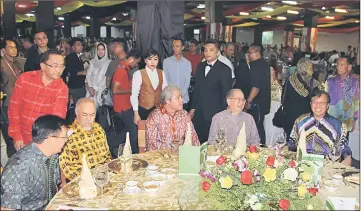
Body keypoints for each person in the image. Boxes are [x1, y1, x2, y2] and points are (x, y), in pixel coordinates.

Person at [1, 115, 67, 210]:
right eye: (64, 137)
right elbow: (6, 208)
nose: (66, 140)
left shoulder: (53, 155)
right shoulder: (20, 167)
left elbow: (54, 188)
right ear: (51, 140)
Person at [8, 50, 69, 150]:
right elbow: (14, 108)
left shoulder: (62, 89)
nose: (59, 70)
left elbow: (56, 119)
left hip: (43, 142)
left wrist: (44, 145)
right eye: (54, 66)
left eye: (62, 66)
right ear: (43, 66)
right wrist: (17, 136)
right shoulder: (25, 79)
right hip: (22, 137)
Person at [288, 89, 352, 166]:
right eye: (315, 102)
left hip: (327, 167)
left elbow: (343, 147)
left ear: (328, 105)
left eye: (322, 102)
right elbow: (292, 143)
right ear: (310, 103)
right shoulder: (300, 121)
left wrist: (347, 157)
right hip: (302, 164)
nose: (318, 105)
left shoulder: (338, 125)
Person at [190, 39, 232, 143]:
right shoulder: (200, 66)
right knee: (198, 141)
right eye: (205, 50)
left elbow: (226, 94)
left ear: (217, 52)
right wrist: (193, 108)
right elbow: (197, 89)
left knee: (213, 143)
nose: (207, 52)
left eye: (211, 50)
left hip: (215, 112)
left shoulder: (225, 69)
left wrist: (224, 114)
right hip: (199, 112)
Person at [59, 98, 112, 182]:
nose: (89, 119)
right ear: (77, 114)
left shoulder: (98, 128)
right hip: (83, 181)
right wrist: (90, 179)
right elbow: (68, 170)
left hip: (103, 177)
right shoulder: (68, 136)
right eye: (84, 115)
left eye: (92, 115)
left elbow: (107, 156)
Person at [146, 85, 200, 151]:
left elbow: (193, 138)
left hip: (182, 155)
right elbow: (151, 145)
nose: (182, 100)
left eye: (181, 97)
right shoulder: (155, 116)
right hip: (162, 158)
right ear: (167, 101)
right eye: (178, 98)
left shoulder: (184, 115)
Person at [282, 58, 320, 140]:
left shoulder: (290, 80)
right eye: (310, 68)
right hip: (306, 119)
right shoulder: (314, 83)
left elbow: (283, 99)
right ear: (305, 68)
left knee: (291, 142)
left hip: (290, 117)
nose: (313, 70)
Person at [112, 49, 141, 154]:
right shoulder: (121, 70)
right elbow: (115, 90)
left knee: (128, 131)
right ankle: (134, 154)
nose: (136, 64)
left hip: (123, 106)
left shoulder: (123, 68)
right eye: (136, 62)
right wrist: (130, 90)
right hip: (123, 107)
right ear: (132, 59)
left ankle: (110, 144)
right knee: (132, 132)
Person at [131, 48, 168, 122]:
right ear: (145, 60)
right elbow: (134, 95)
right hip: (144, 110)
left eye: (155, 59)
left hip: (159, 109)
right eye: (150, 59)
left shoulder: (162, 73)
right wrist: (136, 114)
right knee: (143, 132)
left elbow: (165, 93)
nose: (152, 62)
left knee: (159, 132)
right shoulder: (138, 74)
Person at [245, 43, 271, 146]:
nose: (248, 55)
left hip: (256, 103)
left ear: (257, 53)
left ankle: (259, 147)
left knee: (256, 128)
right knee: (258, 126)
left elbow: (256, 87)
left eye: (250, 53)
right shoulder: (264, 64)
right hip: (263, 102)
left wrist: (248, 101)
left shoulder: (256, 66)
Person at [1, 39, 23, 158]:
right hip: (6, 102)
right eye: (10, 47)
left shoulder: (16, 62)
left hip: (19, 101)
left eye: (15, 47)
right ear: (3, 50)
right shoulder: (2, 64)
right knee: (10, 130)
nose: (14, 49)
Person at [328, 56, 359, 135]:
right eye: (338, 64)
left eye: (342, 65)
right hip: (332, 119)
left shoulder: (354, 83)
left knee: (343, 143)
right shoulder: (330, 81)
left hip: (346, 120)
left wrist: (355, 119)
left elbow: (357, 102)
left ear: (349, 67)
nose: (338, 67)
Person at [163, 39, 192, 110]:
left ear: (182, 47)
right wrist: (172, 96)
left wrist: (179, 96)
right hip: (170, 99)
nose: (175, 48)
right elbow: (165, 81)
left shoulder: (187, 63)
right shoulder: (166, 62)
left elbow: (187, 83)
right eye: (173, 46)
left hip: (184, 99)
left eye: (177, 46)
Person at [86, 43, 111, 108]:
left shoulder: (109, 62)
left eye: (102, 49)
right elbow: (88, 75)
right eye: (98, 49)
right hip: (91, 91)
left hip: (102, 91)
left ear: (106, 51)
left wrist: (96, 88)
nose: (100, 52)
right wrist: (91, 87)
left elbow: (106, 78)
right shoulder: (92, 61)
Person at [63, 38, 86, 105]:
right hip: (75, 86)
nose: (81, 46)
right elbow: (69, 72)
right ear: (73, 47)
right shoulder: (71, 57)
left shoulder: (78, 56)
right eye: (78, 45)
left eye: (81, 45)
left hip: (79, 85)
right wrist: (82, 72)